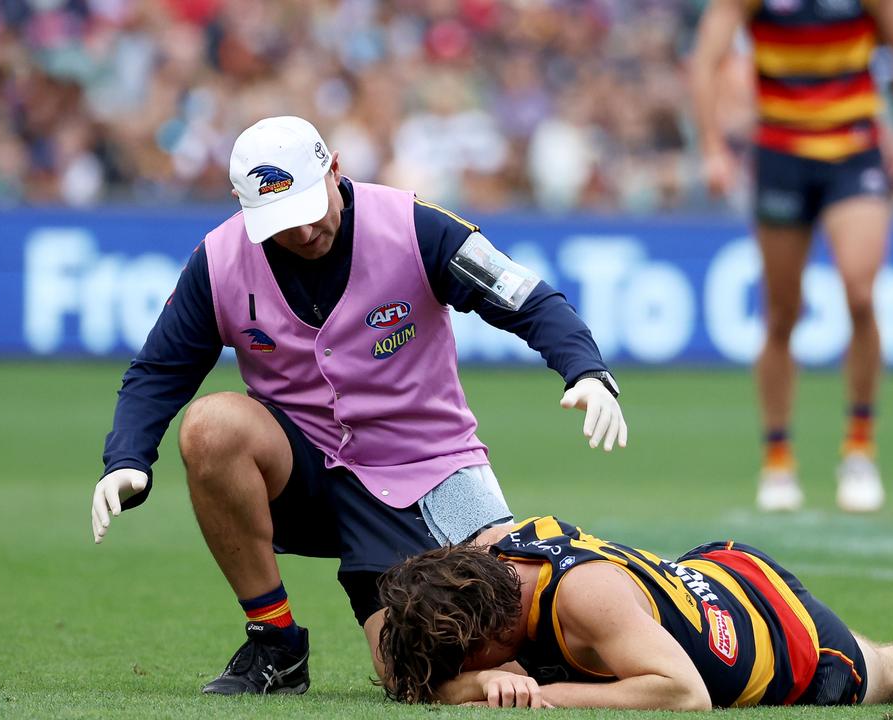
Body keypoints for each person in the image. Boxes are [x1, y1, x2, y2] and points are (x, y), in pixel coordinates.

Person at [88, 116, 628, 695]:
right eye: (280, 223)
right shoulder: (219, 261)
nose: (300, 233)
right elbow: (158, 370)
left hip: (432, 474)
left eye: (307, 207)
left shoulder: (417, 227)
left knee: (422, 669)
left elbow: (528, 299)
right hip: (306, 478)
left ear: (335, 169)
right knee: (211, 425)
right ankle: (275, 642)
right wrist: (127, 459)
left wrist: (587, 371)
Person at [375, 516, 893, 709]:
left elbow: (685, 695)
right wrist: (470, 683)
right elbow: (419, 676)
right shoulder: (493, 548)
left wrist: (537, 697)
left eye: (469, 659)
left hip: (781, 639)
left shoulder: (583, 602)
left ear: (496, 633)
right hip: (711, 577)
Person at [690, 0, 893, 513]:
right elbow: (707, 57)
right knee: (781, 313)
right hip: (781, 157)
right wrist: (712, 146)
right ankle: (778, 457)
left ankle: (860, 449)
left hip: (854, 153)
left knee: (861, 293)